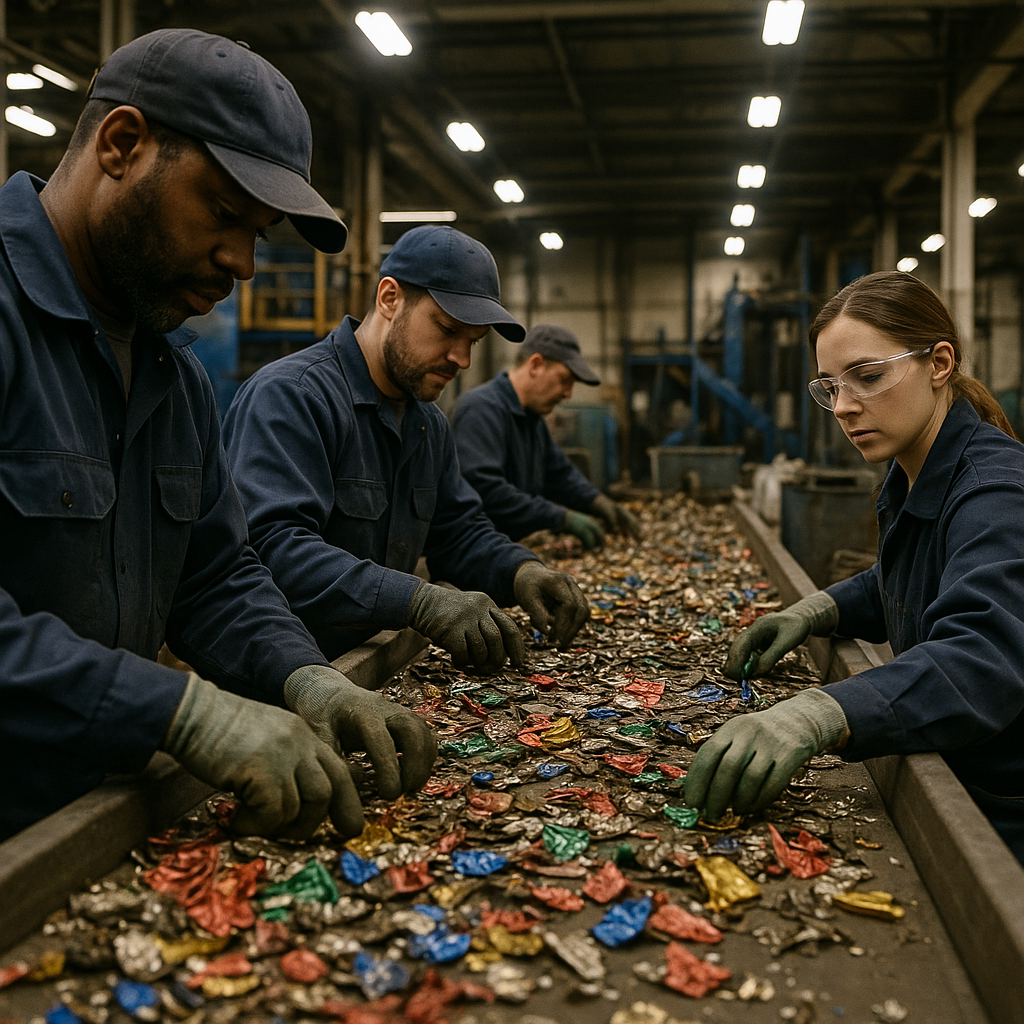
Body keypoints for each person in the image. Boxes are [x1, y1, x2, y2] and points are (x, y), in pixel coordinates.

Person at [0, 29, 436, 843]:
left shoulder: (174, 374)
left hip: (87, 830)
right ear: (123, 144)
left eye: (258, 232)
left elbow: (214, 577)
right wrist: (182, 711)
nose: (242, 262)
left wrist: (303, 674)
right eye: (226, 213)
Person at [684, 271, 1024, 863]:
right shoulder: (912, 469)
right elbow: (908, 580)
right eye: (829, 387)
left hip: (1005, 806)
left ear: (939, 362)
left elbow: (984, 660)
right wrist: (820, 610)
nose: (842, 407)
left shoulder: (997, 494)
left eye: (867, 377)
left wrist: (825, 711)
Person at [222, 226, 589, 672]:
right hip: (278, 680)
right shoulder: (292, 397)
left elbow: (457, 533)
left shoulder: (427, 423)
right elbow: (273, 549)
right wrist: (417, 599)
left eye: (472, 342)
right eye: (447, 330)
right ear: (390, 299)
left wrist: (521, 570)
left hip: (366, 666)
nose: (463, 359)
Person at [452, 323, 640, 550]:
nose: (568, 394)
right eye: (564, 380)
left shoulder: (532, 420)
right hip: (472, 555)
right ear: (536, 365)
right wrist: (561, 518)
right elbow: (487, 492)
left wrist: (596, 501)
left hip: (506, 549)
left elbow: (559, 474)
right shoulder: (481, 410)